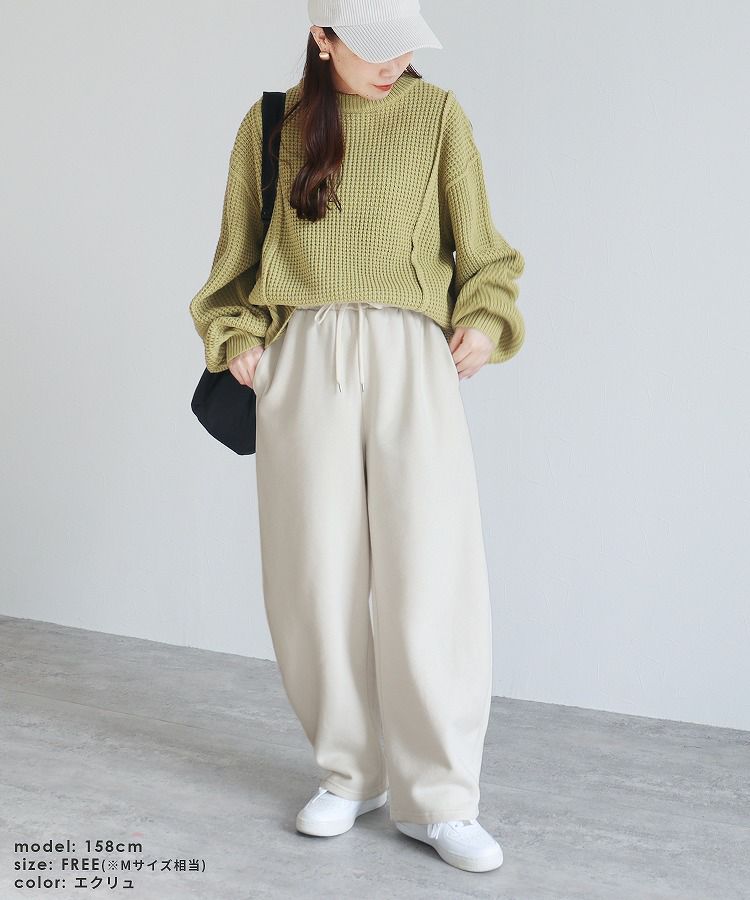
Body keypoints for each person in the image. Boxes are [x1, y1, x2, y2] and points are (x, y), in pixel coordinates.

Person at [188, 0, 525, 875]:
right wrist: (240, 336)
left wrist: (484, 319)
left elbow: (486, 255)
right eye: (374, 46)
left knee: (433, 574)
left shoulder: (437, 116)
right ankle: (350, 771)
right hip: (304, 361)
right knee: (314, 576)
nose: (395, 61)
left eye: (405, 43)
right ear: (322, 37)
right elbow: (233, 266)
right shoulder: (273, 125)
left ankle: (441, 798)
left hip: (412, 357)